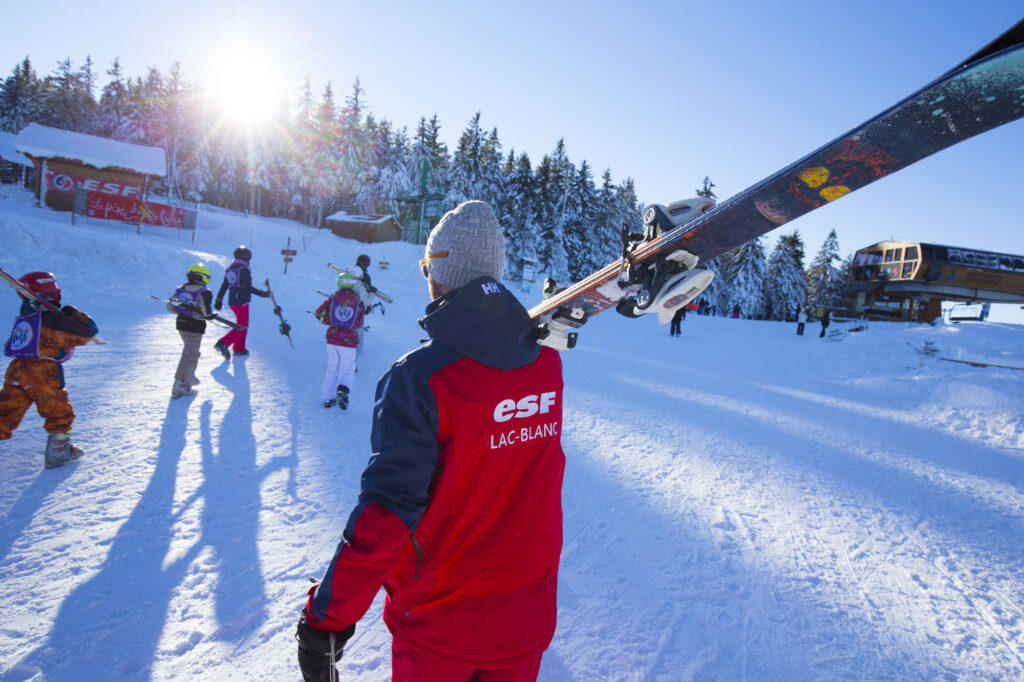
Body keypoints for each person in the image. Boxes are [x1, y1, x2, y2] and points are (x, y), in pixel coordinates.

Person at [296, 200, 566, 682]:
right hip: (524, 627)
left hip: (440, 634)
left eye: (427, 266)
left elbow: (387, 515)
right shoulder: (547, 368)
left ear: (440, 273)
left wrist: (326, 617)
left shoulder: (420, 379)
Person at [0, 271, 98, 468]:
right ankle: (59, 451)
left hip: (17, 369)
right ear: (51, 292)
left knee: (6, 410)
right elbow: (88, 333)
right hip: (43, 374)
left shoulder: (26, 316)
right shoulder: (56, 321)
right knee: (58, 411)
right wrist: (76, 316)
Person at [314, 271, 366, 410]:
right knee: (347, 368)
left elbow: (318, 313)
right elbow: (359, 323)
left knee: (332, 367)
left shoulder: (332, 298)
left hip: (332, 338)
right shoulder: (359, 302)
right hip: (349, 340)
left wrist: (328, 321)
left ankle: (327, 398)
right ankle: (343, 389)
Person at [213, 246, 269, 359]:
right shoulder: (244, 270)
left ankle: (239, 348)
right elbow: (248, 287)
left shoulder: (231, 269)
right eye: (249, 257)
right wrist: (262, 294)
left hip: (233, 301)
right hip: (241, 300)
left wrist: (219, 299)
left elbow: (225, 285)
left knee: (242, 324)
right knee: (242, 325)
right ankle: (223, 343)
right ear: (246, 257)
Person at [167, 264, 213, 398]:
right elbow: (205, 312)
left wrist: (183, 311)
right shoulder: (204, 291)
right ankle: (181, 385)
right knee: (189, 355)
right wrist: (209, 315)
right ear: (203, 277)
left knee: (192, 353)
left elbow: (170, 307)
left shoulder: (180, 289)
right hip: (195, 326)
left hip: (181, 324)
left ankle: (189, 377)